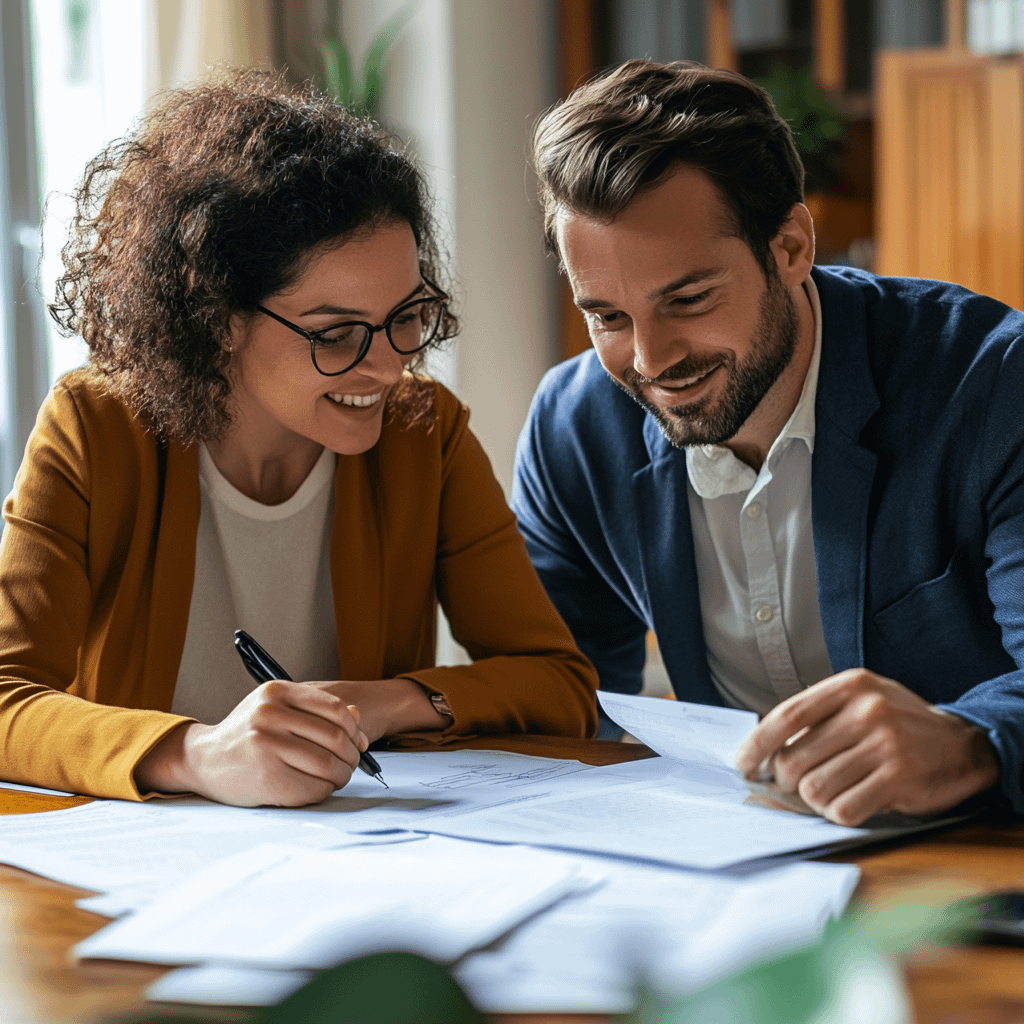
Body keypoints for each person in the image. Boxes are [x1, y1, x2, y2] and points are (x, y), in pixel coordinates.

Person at [0, 68, 597, 807]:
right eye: (336, 333)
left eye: (406, 314)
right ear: (217, 319)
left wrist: (373, 704)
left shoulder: (425, 434)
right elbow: (5, 698)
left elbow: (558, 679)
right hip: (133, 878)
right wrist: (198, 755)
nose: (387, 364)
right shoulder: (95, 430)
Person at [513, 59, 1024, 827]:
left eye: (688, 299)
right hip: (733, 868)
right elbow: (553, 691)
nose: (650, 362)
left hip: (974, 860)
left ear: (790, 247)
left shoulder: (993, 383)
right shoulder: (573, 427)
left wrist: (968, 742)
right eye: (608, 317)